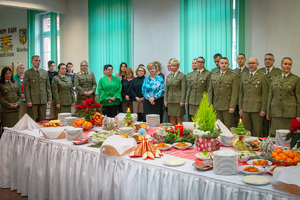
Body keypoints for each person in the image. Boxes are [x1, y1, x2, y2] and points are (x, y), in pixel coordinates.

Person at [267, 57, 300, 137]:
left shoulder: (296, 79)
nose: (287, 66)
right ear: (281, 65)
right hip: (276, 112)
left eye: (289, 64)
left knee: (288, 136)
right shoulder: (275, 78)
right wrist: (268, 111)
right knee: (275, 135)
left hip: (289, 113)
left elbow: (298, 97)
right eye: (285, 64)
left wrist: (298, 114)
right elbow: (270, 95)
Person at [239, 57, 268, 137]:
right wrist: (240, 107)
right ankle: (246, 146)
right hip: (245, 107)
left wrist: (263, 109)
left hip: (257, 108)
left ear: (257, 64)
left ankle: (258, 146)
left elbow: (265, 94)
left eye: (253, 63)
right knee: (246, 130)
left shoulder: (262, 76)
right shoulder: (244, 76)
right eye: (249, 63)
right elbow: (241, 93)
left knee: (257, 130)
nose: (251, 65)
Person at [208, 57, 239, 129]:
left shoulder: (233, 76)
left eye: (225, 63)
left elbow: (235, 92)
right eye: (222, 63)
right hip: (216, 105)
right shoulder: (213, 75)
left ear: (228, 64)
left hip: (227, 106)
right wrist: (209, 104)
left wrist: (232, 106)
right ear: (219, 64)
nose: (223, 65)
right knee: (217, 126)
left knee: (227, 126)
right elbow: (210, 91)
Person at [258, 53, 282, 137]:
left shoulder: (278, 72)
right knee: (262, 125)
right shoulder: (259, 71)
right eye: (266, 59)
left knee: (272, 125)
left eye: (270, 59)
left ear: (273, 61)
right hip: (261, 101)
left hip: (273, 101)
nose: (267, 61)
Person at [24, 55, 51, 122]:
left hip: (43, 99)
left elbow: (48, 86)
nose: (38, 62)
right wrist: (28, 100)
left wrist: (49, 98)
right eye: (36, 60)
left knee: (43, 119)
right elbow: (26, 88)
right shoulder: (28, 73)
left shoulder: (44, 72)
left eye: (39, 61)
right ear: (32, 62)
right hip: (33, 100)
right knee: (32, 120)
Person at [164, 59, 186, 126]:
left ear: (178, 66)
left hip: (178, 100)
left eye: (174, 66)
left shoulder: (182, 76)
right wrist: (165, 100)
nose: (172, 67)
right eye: (171, 66)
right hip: (170, 100)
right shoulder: (168, 76)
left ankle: (179, 133)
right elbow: (166, 89)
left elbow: (183, 89)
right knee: (171, 117)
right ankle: (173, 132)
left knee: (179, 117)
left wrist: (182, 101)